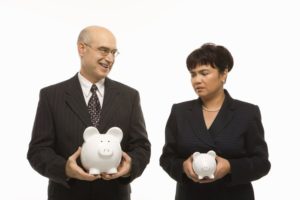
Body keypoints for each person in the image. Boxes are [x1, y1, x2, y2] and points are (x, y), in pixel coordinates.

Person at [27, 25, 151, 200]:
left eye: (114, 52)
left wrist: (130, 166)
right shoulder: (51, 95)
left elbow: (141, 147)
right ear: (82, 48)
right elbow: (38, 151)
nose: (109, 58)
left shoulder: (129, 96)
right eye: (103, 50)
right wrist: (65, 169)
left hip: (114, 195)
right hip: (67, 194)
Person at [160, 43, 271, 200]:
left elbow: (262, 163)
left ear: (223, 73)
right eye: (193, 74)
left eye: (204, 73)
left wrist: (231, 167)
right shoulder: (180, 112)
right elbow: (167, 158)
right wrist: (183, 167)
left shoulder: (247, 112)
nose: (197, 80)